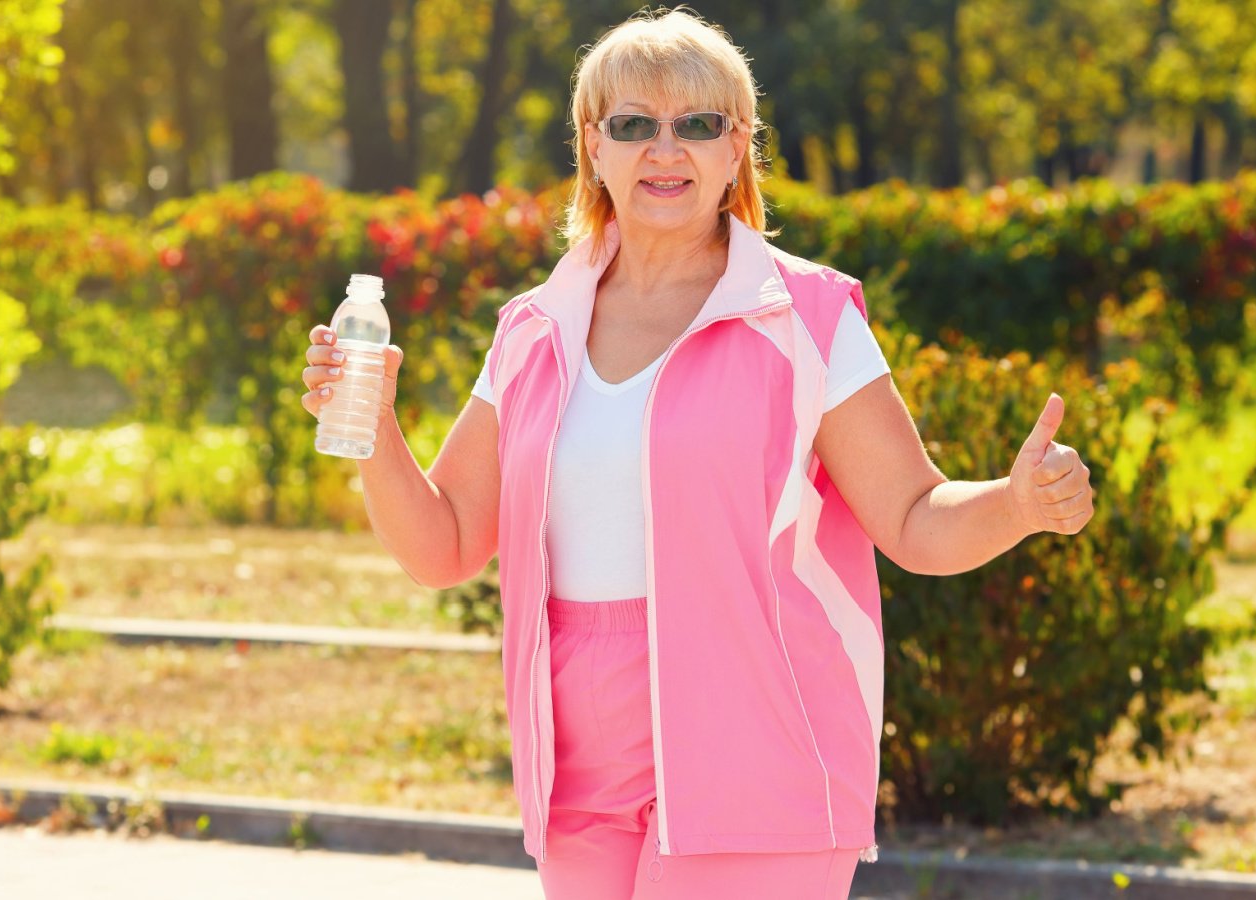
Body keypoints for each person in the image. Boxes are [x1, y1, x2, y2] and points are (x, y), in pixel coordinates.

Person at [300, 9, 1095, 899]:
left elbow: (914, 520)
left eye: (698, 125)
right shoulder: (535, 329)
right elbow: (440, 546)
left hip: (755, 748)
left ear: (737, 148)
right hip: (575, 763)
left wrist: (1019, 504)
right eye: (635, 125)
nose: (665, 150)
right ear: (593, 147)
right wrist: (370, 426)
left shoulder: (804, 316)